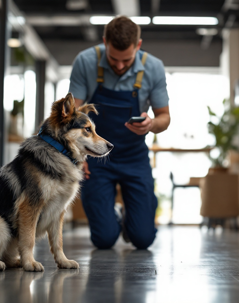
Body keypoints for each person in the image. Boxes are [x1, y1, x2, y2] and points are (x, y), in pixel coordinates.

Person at [69, 16, 171, 249]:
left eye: (127, 60)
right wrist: (77, 155)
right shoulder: (85, 62)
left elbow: (165, 118)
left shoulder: (153, 67)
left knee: (143, 239)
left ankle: (132, 215)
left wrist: (151, 124)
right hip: (95, 157)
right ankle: (112, 215)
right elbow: (72, 117)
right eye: (114, 59)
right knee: (103, 240)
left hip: (134, 156)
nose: (120, 66)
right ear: (105, 42)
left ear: (138, 45)